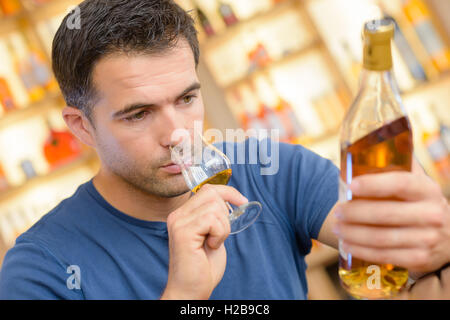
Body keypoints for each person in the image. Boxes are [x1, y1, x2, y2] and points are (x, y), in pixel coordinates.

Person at [0, 0, 449, 300]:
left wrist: (425, 232)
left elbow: (401, 254)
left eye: (187, 99)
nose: (177, 134)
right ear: (82, 127)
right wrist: (183, 296)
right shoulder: (41, 267)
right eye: (138, 114)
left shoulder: (273, 172)